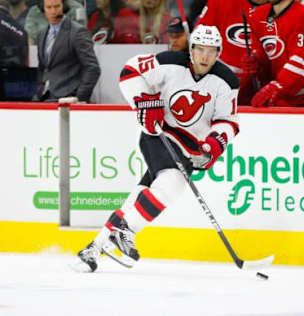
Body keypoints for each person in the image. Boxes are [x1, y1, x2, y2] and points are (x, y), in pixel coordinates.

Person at [75, 24, 240, 272]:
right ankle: (123, 232)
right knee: (172, 182)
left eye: (212, 50)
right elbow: (130, 71)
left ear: (219, 52)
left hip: (189, 148)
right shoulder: (169, 62)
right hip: (159, 133)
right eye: (201, 49)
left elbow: (228, 121)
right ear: (192, 48)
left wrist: (215, 143)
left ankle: (94, 248)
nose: (205, 56)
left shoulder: (227, 81)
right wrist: (144, 102)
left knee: (140, 195)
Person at [246, 0, 304, 107]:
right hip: (285, 94)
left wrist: (276, 87)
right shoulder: (258, 16)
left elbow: (301, 63)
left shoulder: (303, 15)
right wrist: (256, 63)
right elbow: (264, 57)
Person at [195, 0, 268, 105]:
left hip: (267, 88)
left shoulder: (281, 6)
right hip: (224, 85)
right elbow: (199, 39)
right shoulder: (220, 3)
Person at [33, 0, 100, 102]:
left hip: (69, 98)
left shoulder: (77, 32)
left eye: (57, 7)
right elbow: (42, 67)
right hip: (43, 97)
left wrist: (79, 98)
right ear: (43, 9)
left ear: (64, 7)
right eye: (49, 7)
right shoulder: (42, 34)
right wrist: (39, 89)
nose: (53, 11)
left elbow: (92, 68)